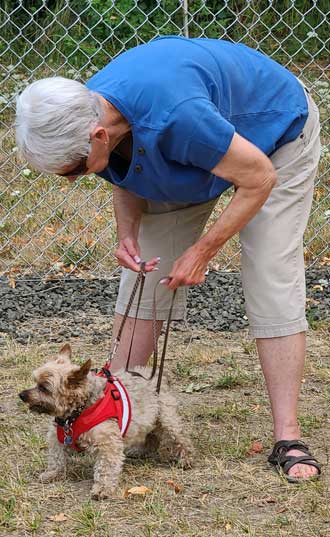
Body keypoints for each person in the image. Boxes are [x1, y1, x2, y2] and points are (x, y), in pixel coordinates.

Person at [15, 36, 321, 482]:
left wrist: (202, 252)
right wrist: (127, 231)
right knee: (145, 275)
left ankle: (288, 437)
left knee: (271, 274)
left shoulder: (176, 116)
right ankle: (115, 414)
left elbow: (257, 176)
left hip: (272, 137)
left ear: (96, 134)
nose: (74, 179)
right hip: (191, 151)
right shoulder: (90, 108)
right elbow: (121, 166)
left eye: (74, 171)